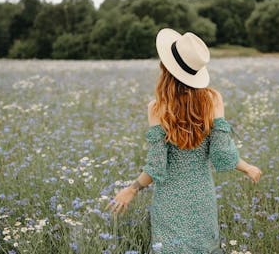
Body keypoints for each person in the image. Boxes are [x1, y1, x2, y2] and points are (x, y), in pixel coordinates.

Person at [105, 28, 262, 253]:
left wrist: (132, 189)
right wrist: (247, 167)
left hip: (169, 202)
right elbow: (222, 154)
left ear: (165, 68)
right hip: (202, 199)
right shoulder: (213, 99)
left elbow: (157, 166)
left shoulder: (157, 108)